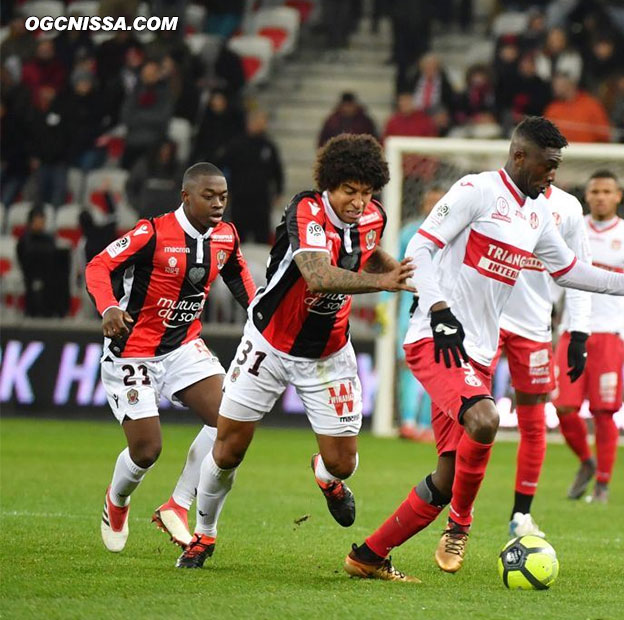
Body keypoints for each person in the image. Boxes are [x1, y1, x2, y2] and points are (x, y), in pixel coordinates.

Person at [342, 116, 624, 582]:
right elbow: (422, 251)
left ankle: (369, 556)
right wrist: (440, 309)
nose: (553, 175)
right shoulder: (476, 190)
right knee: (486, 418)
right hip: (436, 339)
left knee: (446, 478)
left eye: (557, 166)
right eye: (548, 165)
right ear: (520, 156)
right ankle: (461, 527)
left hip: (477, 354)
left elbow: (571, 271)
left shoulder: (537, 215)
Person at [178, 134, 415, 569]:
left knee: (343, 464)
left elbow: (366, 251)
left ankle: (325, 478)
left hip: (327, 353)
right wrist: (382, 284)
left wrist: (393, 268)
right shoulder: (305, 210)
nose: (359, 202)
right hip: (269, 343)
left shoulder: (373, 216)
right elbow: (317, 274)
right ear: (329, 185)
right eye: (349, 191)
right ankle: (204, 534)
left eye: (366, 193)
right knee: (229, 448)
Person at [85, 162, 256, 554]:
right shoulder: (152, 232)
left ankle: (177, 504)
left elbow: (239, 279)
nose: (217, 204)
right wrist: (109, 307)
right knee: (147, 450)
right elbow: (99, 266)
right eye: (208, 196)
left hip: (182, 347)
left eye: (223, 197)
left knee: (230, 419)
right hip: (132, 351)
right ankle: (117, 501)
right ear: (186, 196)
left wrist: (262, 314)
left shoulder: (226, 236)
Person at [555, 171, 624, 504]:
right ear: (587, 196)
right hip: (571, 331)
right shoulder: (569, 230)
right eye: (595, 191)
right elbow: (553, 278)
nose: (600, 196)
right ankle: (587, 462)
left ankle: (602, 483)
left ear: (618, 196)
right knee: (564, 408)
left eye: (607, 191)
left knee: (604, 412)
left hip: (610, 335)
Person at [496, 181, 591, 537]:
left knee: (534, 423)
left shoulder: (567, 208)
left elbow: (580, 271)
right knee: (470, 417)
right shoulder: (491, 193)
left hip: (534, 327)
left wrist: (579, 332)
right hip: (484, 320)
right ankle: (458, 513)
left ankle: (521, 515)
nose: (549, 170)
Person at [395, 187, 443, 441]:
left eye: (438, 202)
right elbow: (393, 269)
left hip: (439, 310)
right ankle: (408, 422)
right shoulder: (408, 232)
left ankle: (427, 425)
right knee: (408, 367)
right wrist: (384, 305)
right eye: (429, 201)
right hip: (409, 309)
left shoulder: (453, 233)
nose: (432, 206)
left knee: (437, 367)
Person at [219, 109, 284, 244]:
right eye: (258, 121)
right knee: (238, 238)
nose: (261, 124)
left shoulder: (268, 146)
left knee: (262, 239)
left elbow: (277, 171)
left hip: (261, 201)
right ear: (250, 123)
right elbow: (223, 168)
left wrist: (278, 192)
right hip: (240, 199)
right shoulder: (236, 145)